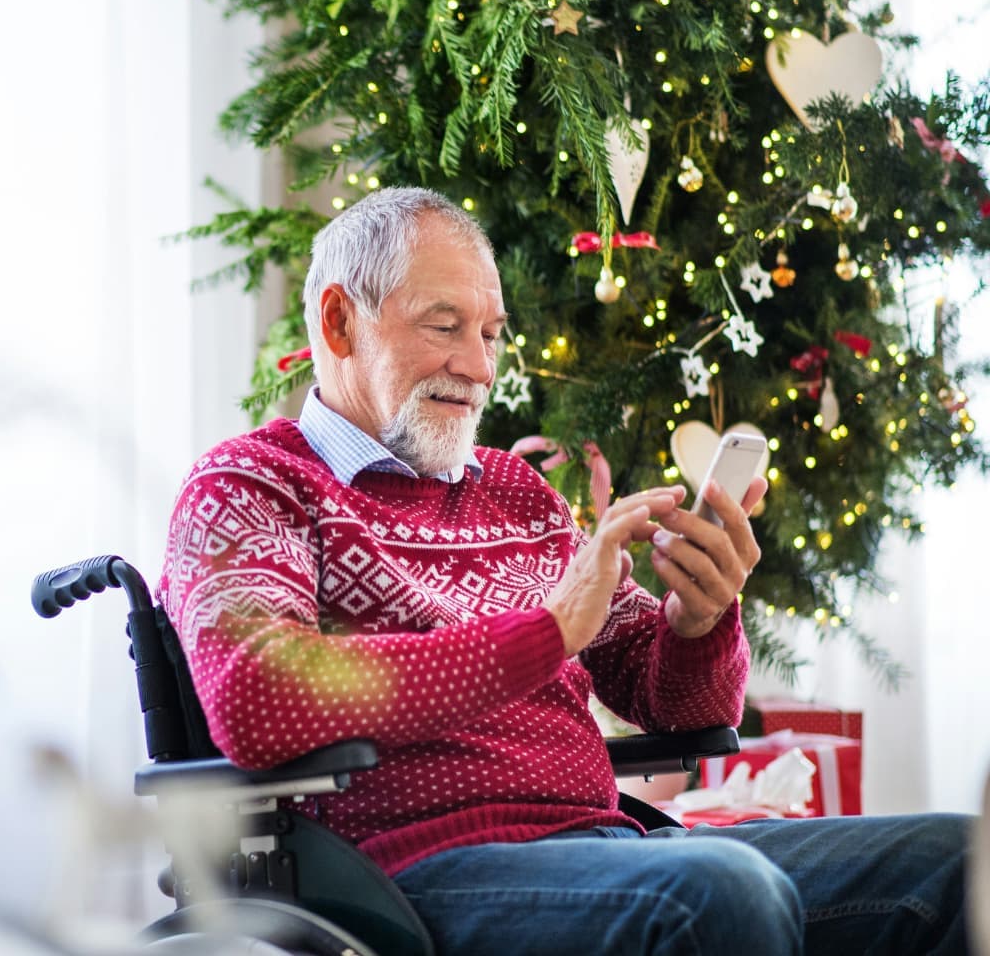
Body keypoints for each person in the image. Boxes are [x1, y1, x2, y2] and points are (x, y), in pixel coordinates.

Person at [157, 186, 968, 953]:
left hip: (605, 849)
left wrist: (698, 620)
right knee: (722, 891)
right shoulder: (250, 487)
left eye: (492, 333)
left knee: (961, 862)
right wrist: (542, 635)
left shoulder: (518, 494)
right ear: (340, 323)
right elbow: (256, 693)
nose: (479, 368)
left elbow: (681, 707)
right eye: (445, 326)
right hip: (401, 877)